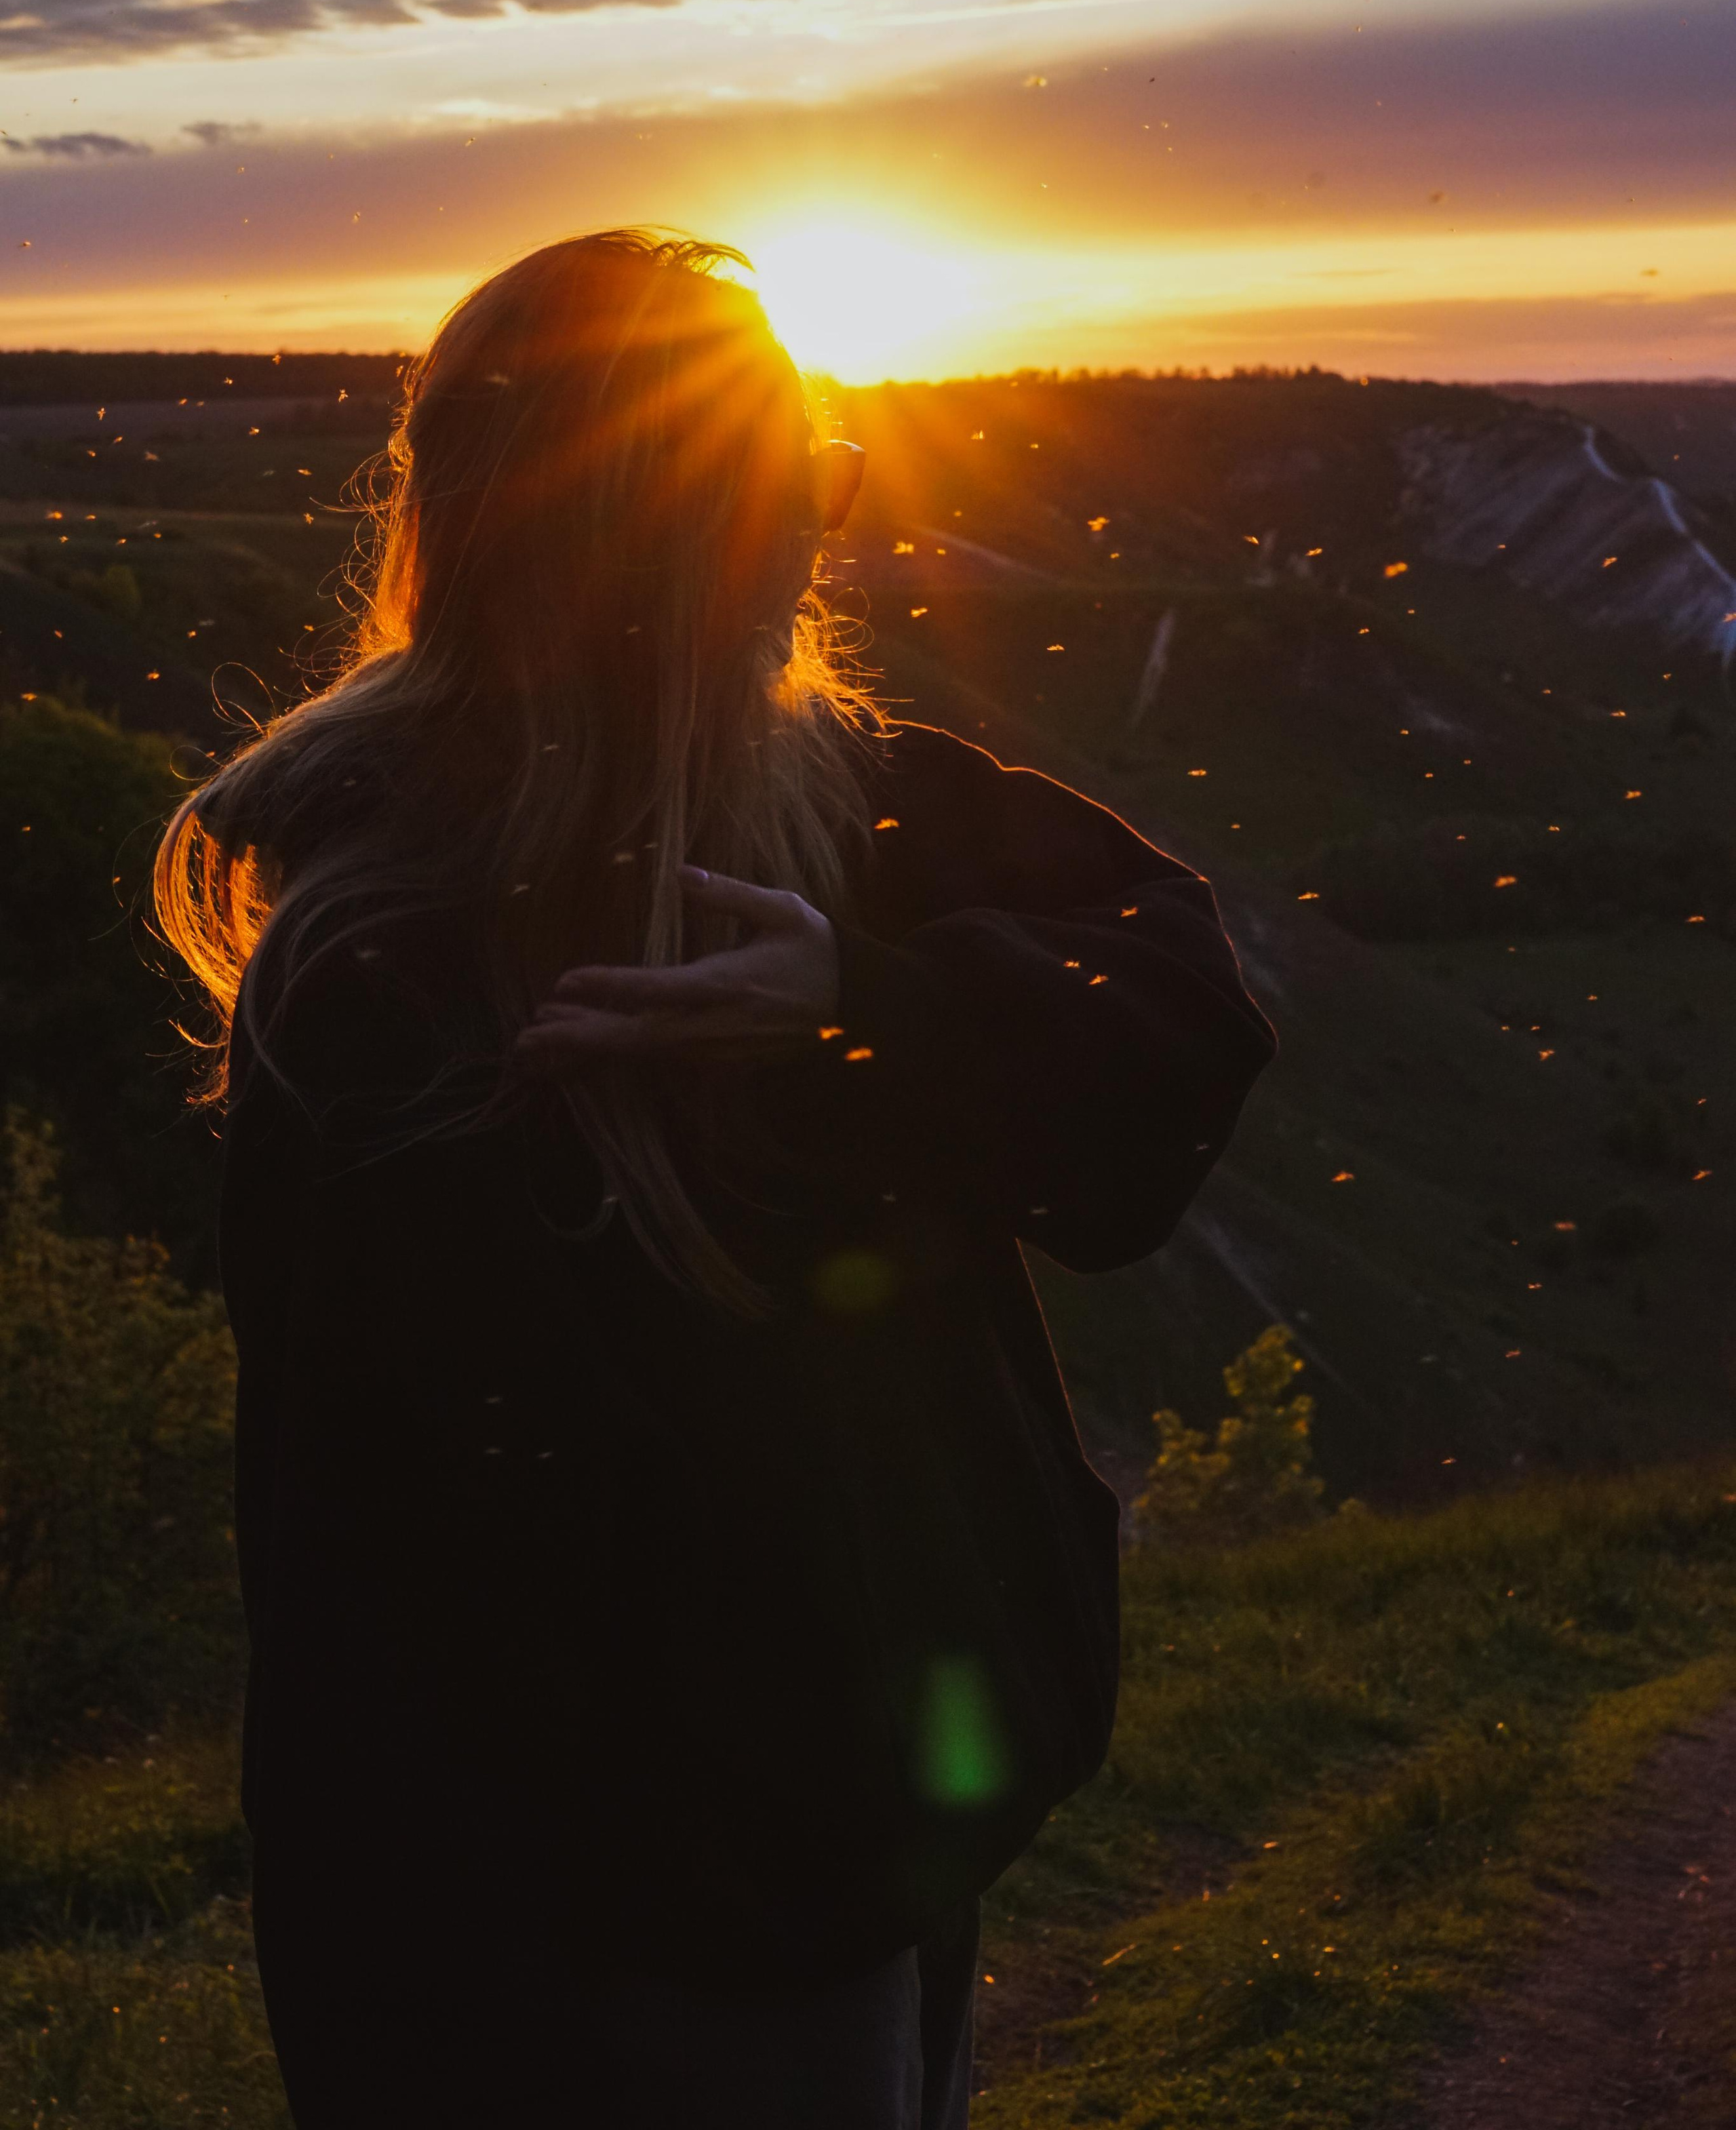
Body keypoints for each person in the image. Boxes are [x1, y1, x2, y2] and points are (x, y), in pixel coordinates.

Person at [155, 229, 1276, 2130]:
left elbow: (1181, 1002)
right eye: (796, 491)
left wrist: (867, 1014)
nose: (821, 542)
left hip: (848, 1839)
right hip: (629, 1925)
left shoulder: (843, 806)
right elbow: (391, 1579)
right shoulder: (395, 971)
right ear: (676, 530)